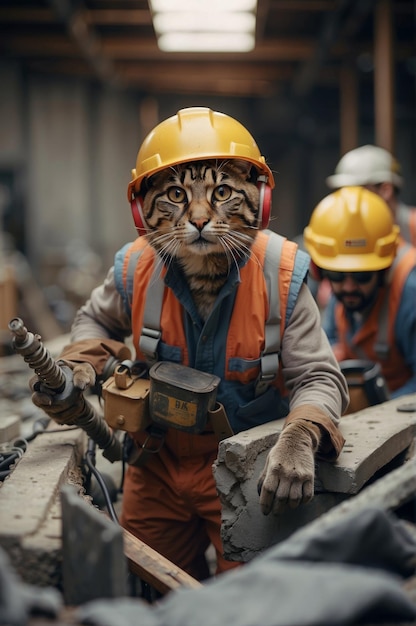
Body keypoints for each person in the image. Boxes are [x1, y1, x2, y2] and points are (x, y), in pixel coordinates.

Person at [31, 107, 348, 581]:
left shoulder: (280, 271)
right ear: (144, 209)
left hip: (249, 470)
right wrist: (80, 361)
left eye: (221, 193)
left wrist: (299, 439)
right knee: (150, 589)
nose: (199, 216)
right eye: (177, 196)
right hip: (155, 466)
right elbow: (94, 321)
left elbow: (320, 377)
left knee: (248, 602)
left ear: (256, 200)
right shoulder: (136, 266)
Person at [304, 185, 416, 400]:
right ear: (321, 270)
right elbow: (332, 338)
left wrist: (375, 409)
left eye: (361, 276)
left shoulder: (410, 292)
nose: (348, 287)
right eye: (337, 275)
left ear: (384, 269)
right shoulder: (347, 295)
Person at [326, 144, 416, 247]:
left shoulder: (413, 225)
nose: (348, 199)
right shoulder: (340, 227)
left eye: (355, 190)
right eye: (342, 191)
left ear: (385, 190)